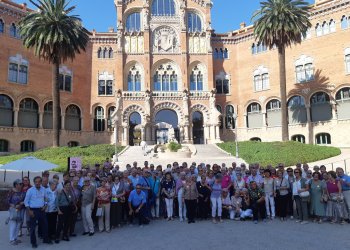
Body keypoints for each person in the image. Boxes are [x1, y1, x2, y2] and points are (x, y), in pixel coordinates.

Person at [24, 176, 52, 248]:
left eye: (39, 181)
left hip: (42, 210)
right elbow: (26, 201)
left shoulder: (43, 189)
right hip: (33, 210)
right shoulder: (30, 190)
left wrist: (45, 206)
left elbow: (46, 198)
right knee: (33, 227)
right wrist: (29, 211)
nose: (37, 183)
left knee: (45, 225)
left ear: (41, 182)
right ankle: (33, 242)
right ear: (34, 182)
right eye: (36, 182)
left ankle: (45, 239)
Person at [8, 179, 25, 246]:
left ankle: (15, 238)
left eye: (21, 184)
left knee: (18, 224)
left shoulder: (23, 192)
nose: (21, 185)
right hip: (13, 210)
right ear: (16, 184)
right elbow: (8, 201)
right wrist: (14, 206)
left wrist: (22, 203)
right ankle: (11, 239)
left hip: (21, 209)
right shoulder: (11, 191)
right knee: (13, 224)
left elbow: (25, 200)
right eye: (20, 184)